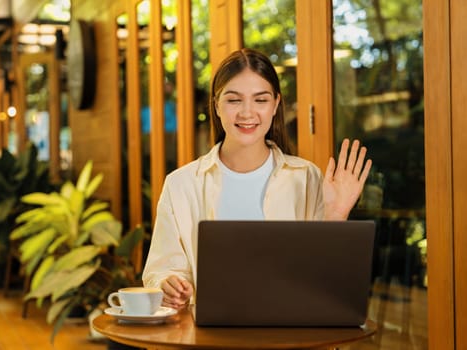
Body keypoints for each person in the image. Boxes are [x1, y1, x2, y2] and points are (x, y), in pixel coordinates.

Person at [142, 48, 372, 310]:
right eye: (234, 100)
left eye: (260, 100)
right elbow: (160, 271)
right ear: (216, 105)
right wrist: (169, 284)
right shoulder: (181, 184)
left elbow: (325, 283)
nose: (247, 113)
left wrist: (336, 215)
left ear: (275, 105)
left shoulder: (306, 178)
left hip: (287, 335)